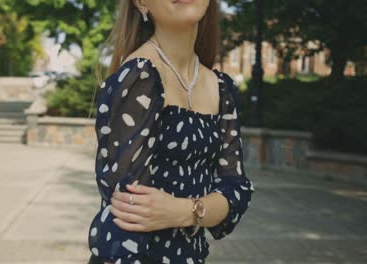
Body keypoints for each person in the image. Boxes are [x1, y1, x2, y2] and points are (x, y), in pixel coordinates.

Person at [87, 0, 255, 263]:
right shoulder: (139, 77)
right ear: (141, 2)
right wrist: (206, 207)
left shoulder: (221, 89)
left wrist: (185, 211)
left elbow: (237, 190)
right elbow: (128, 214)